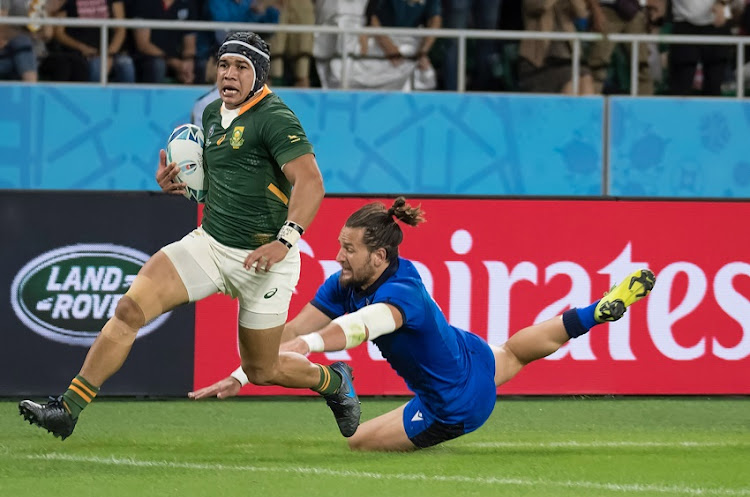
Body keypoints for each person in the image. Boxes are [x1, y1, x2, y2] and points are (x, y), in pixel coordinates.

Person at [18, 31, 361, 442]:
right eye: (223, 65)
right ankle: (67, 409)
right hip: (211, 245)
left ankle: (334, 382)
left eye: (241, 67)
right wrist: (182, 186)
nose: (228, 75)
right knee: (129, 308)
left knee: (261, 371)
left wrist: (284, 240)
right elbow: (218, 184)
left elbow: (311, 182)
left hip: (267, 262)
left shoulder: (275, 117)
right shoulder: (213, 114)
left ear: (259, 76)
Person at [190, 197, 657, 451]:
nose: (337, 256)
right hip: (472, 356)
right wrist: (242, 373)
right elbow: (288, 333)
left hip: (454, 404)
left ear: (380, 254)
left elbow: (364, 327)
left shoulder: (401, 293)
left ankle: (595, 313)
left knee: (357, 443)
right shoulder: (347, 282)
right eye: (339, 245)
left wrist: (313, 345)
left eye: (347, 249)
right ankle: (598, 312)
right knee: (515, 352)